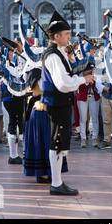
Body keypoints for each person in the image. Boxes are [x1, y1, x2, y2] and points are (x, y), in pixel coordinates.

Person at [41, 12, 94, 195]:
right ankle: (56, 183)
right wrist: (82, 80)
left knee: (60, 142)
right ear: (56, 37)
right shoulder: (53, 56)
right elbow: (62, 83)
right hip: (57, 103)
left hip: (61, 103)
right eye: (66, 34)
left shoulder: (59, 54)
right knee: (57, 142)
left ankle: (58, 181)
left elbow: (67, 77)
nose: (69, 37)